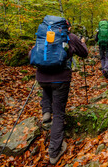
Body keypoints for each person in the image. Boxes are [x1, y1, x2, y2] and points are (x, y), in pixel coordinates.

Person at [29, 20, 88, 165]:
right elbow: (84, 54)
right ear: (67, 27)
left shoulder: (43, 36)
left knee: (47, 88)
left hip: (42, 77)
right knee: (59, 114)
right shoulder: (70, 36)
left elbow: (31, 55)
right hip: (61, 79)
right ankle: (54, 152)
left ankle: (46, 112)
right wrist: (83, 43)